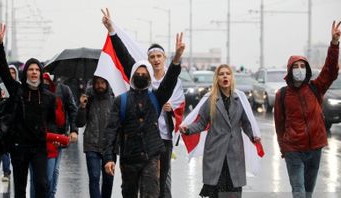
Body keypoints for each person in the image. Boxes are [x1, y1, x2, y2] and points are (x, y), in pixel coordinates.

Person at [102, 8, 185, 197]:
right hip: (129, 157)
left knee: (154, 191)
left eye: (144, 74)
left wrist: (177, 58)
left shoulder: (156, 96)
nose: (140, 75)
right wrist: (108, 158)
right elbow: (111, 131)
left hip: (153, 154)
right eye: (137, 73)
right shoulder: (121, 101)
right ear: (132, 76)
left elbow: (170, 80)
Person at [274, 21, 340, 198]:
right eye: (296, 67)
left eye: (303, 66)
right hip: (293, 150)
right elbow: (279, 125)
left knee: (308, 192)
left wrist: (334, 44)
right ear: (290, 70)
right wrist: (283, 148)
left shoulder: (315, 88)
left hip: (315, 148)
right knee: (299, 191)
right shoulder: (282, 95)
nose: (300, 70)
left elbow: (330, 71)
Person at [179, 64, 260, 198]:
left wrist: (253, 136)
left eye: (227, 73)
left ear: (231, 77)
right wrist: (187, 130)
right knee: (216, 193)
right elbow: (201, 123)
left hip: (235, 153)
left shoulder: (240, 99)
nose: (225, 76)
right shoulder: (210, 100)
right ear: (217, 78)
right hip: (215, 153)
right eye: (221, 74)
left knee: (233, 193)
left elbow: (246, 123)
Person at [0, 24, 56, 198]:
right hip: (19, 147)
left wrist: (53, 134)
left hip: (39, 147)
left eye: (37, 69)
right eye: (31, 69)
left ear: (41, 72)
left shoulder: (48, 97)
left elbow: (51, 120)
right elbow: (5, 72)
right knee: (20, 188)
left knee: (42, 184)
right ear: (26, 72)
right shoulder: (17, 90)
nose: (34, 72)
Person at [29, 72, 78, 198]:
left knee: (53, 171)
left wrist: (73, 130)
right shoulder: (33, 89)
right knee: (39, 173)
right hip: (39, 138)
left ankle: (50, 195)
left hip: (57, 136)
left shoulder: (63, 89)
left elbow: (72, 110)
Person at [75, 76, 115, 198]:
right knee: (94, 177)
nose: (100, 85)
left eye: (103, 83)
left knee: (108, 180)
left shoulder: (114, 99)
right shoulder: (88, 99)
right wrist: (82, 107)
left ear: (107, 84)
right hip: (91, 144)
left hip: (109, 146)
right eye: (97, 83)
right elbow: (79, 123)